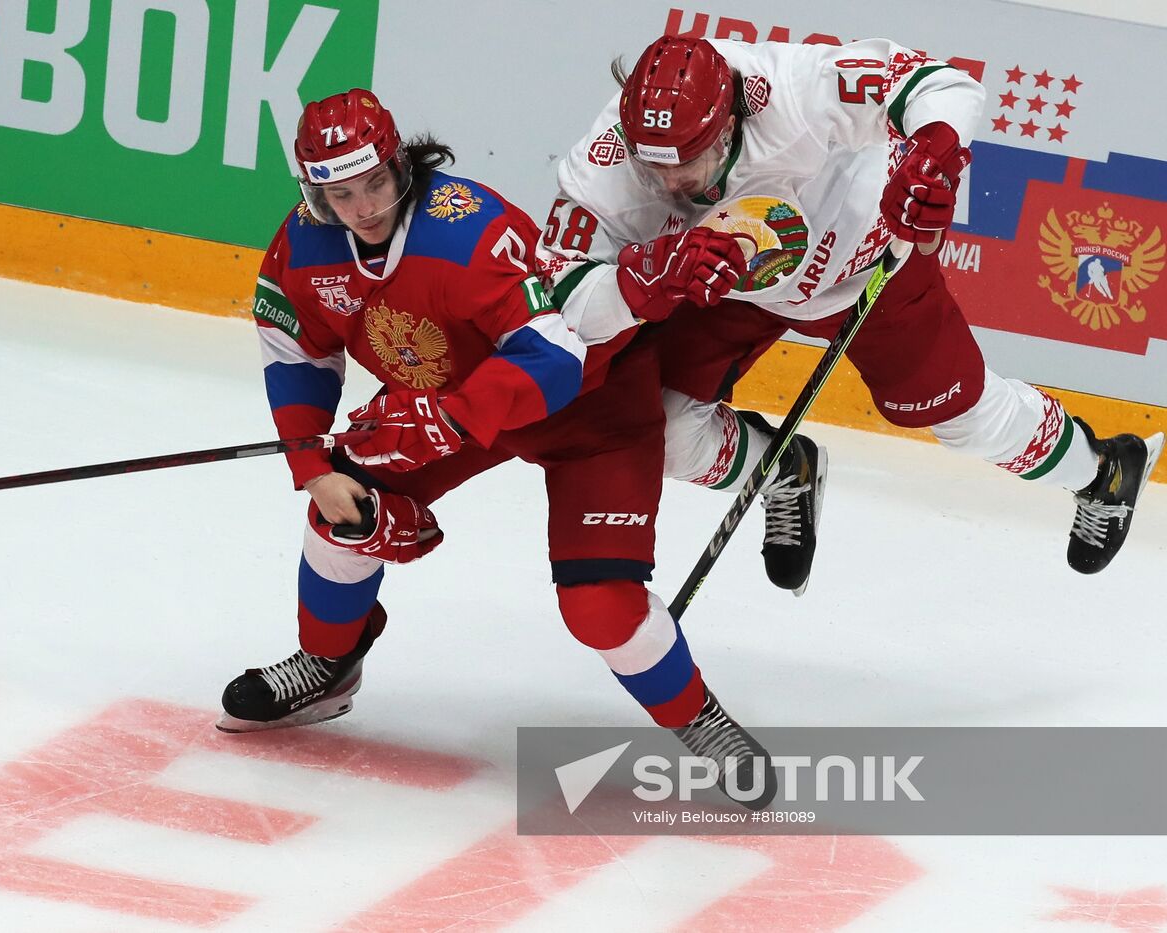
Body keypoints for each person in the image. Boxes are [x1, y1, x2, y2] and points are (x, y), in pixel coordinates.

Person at [218, 88, 776, 809]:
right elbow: (294, 351)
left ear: (401, 165)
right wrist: (309, 463)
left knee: (599, 606)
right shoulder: (304, 244)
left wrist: (449, 417)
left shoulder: (468, 231)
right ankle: (327, 664)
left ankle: (699, 718)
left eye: (376, 184)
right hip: (451, 404)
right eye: (340, 194)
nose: (361, 208)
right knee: (343, 505)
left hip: (591, 405)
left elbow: (555, 356)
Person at [538, 34, 1163, 577]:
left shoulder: (793, 88)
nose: (670, 187)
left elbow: (939, 83)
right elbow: (564, 298)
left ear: (729, 123)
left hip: (866, 265)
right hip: (721, 280)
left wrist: (934, 154)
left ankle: (1102, 469)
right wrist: (648, 279)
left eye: (690, 166)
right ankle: (785, 469)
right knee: (662, 432)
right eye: (654, 170)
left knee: (964, 419)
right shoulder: (604, 168)